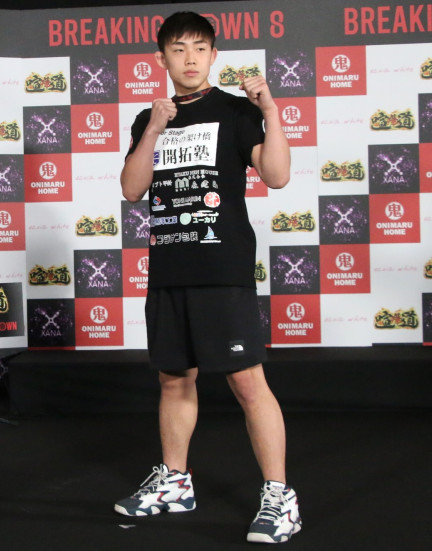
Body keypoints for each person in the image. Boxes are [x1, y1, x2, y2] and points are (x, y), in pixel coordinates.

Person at [114, 11, 301, 544]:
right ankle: (175, 483)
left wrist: (270, 111)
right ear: (161, 58)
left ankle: (281, 497)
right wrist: (154, 128)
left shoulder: (237, 110)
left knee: (247, 382)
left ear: (213, 56)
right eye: (179, 49)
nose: (190, 58)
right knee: (174, 379)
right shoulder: (148, 118)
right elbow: (132, 189)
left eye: (200, 48)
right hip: (169, 268)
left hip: (223, 269)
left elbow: (277, 175)